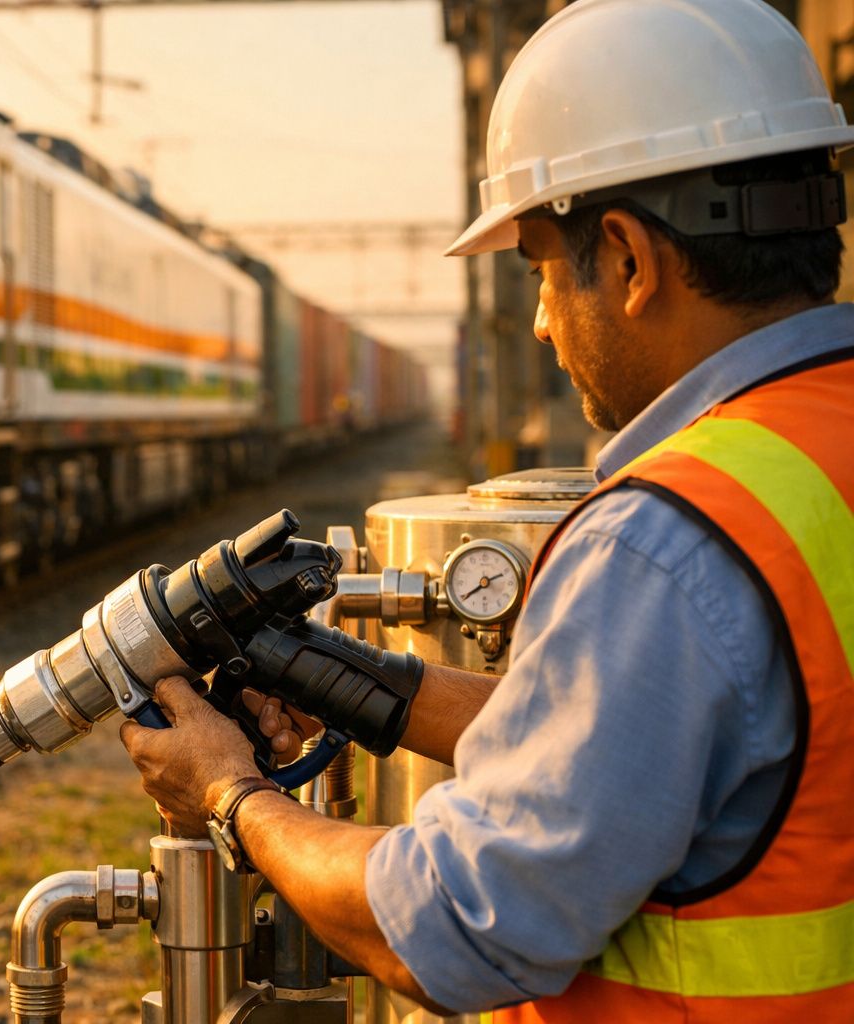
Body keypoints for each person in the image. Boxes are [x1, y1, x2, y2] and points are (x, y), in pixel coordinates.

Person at [119, 0, 854, 1019]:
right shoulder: (813, 458)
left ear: (629, 259)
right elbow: (627, 742)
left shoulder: (667, 541)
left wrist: (229, 794)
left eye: (540, 272)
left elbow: (458, 928)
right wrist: (348, 677)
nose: (543, 324)